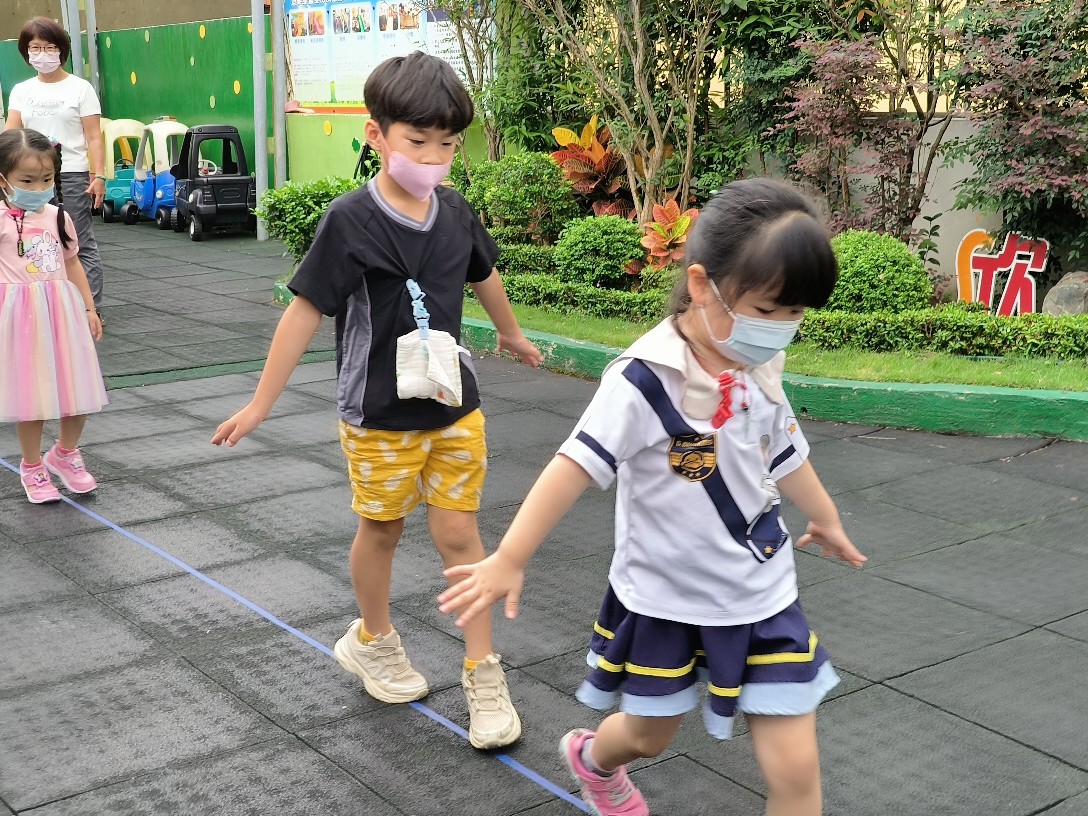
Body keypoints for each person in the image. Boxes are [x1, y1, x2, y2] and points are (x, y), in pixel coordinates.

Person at [438, 179, 867, 816]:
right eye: (767, 310)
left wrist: (824, 516)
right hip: (667, 600)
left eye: (795, 314)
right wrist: (509, 557)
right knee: (647, 736)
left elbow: (783, 449)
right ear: (702, 285)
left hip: (761, 595)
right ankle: (594, 761)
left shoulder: (755, 366)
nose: (780, 330)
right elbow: (573, 465)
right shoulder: (644, 379)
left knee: (797, 770)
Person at [211, 52, 543, 750]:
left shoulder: (455, 211)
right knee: (383, 529)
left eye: (448, 144)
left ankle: (483, 672)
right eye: (418, 141)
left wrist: (511, 333)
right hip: (379, 416)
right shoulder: (351, 220)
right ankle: (373, 640)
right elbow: (304, 311)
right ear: (377, 134)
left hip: (454, 406)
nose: (434, 158)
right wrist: (261, 404)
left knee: (461, 535)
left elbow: (484, 273)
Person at [0, 128, 106, 504]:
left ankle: (64, 453)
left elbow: (72, 263)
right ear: (3, 180)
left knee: (78, 390)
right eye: (27, 180)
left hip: (61, 313)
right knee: (33, 396)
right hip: (21, 318)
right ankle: (32, 466)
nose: (39, 187)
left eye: (47, 179)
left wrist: (89, 307)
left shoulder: (58, 216)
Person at [5, 17, 108, 326]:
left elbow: (94, 136)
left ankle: (90, 308)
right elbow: (11, 134)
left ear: (62, 50)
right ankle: (39, 306)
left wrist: (100, 175)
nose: (43, 54)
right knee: (28, 239)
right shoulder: (22, 90)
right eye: (35, 47)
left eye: (50, 47)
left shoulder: (80, 88)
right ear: (26, 52)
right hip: (25, 177)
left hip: (70, 175)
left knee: (75, 241)